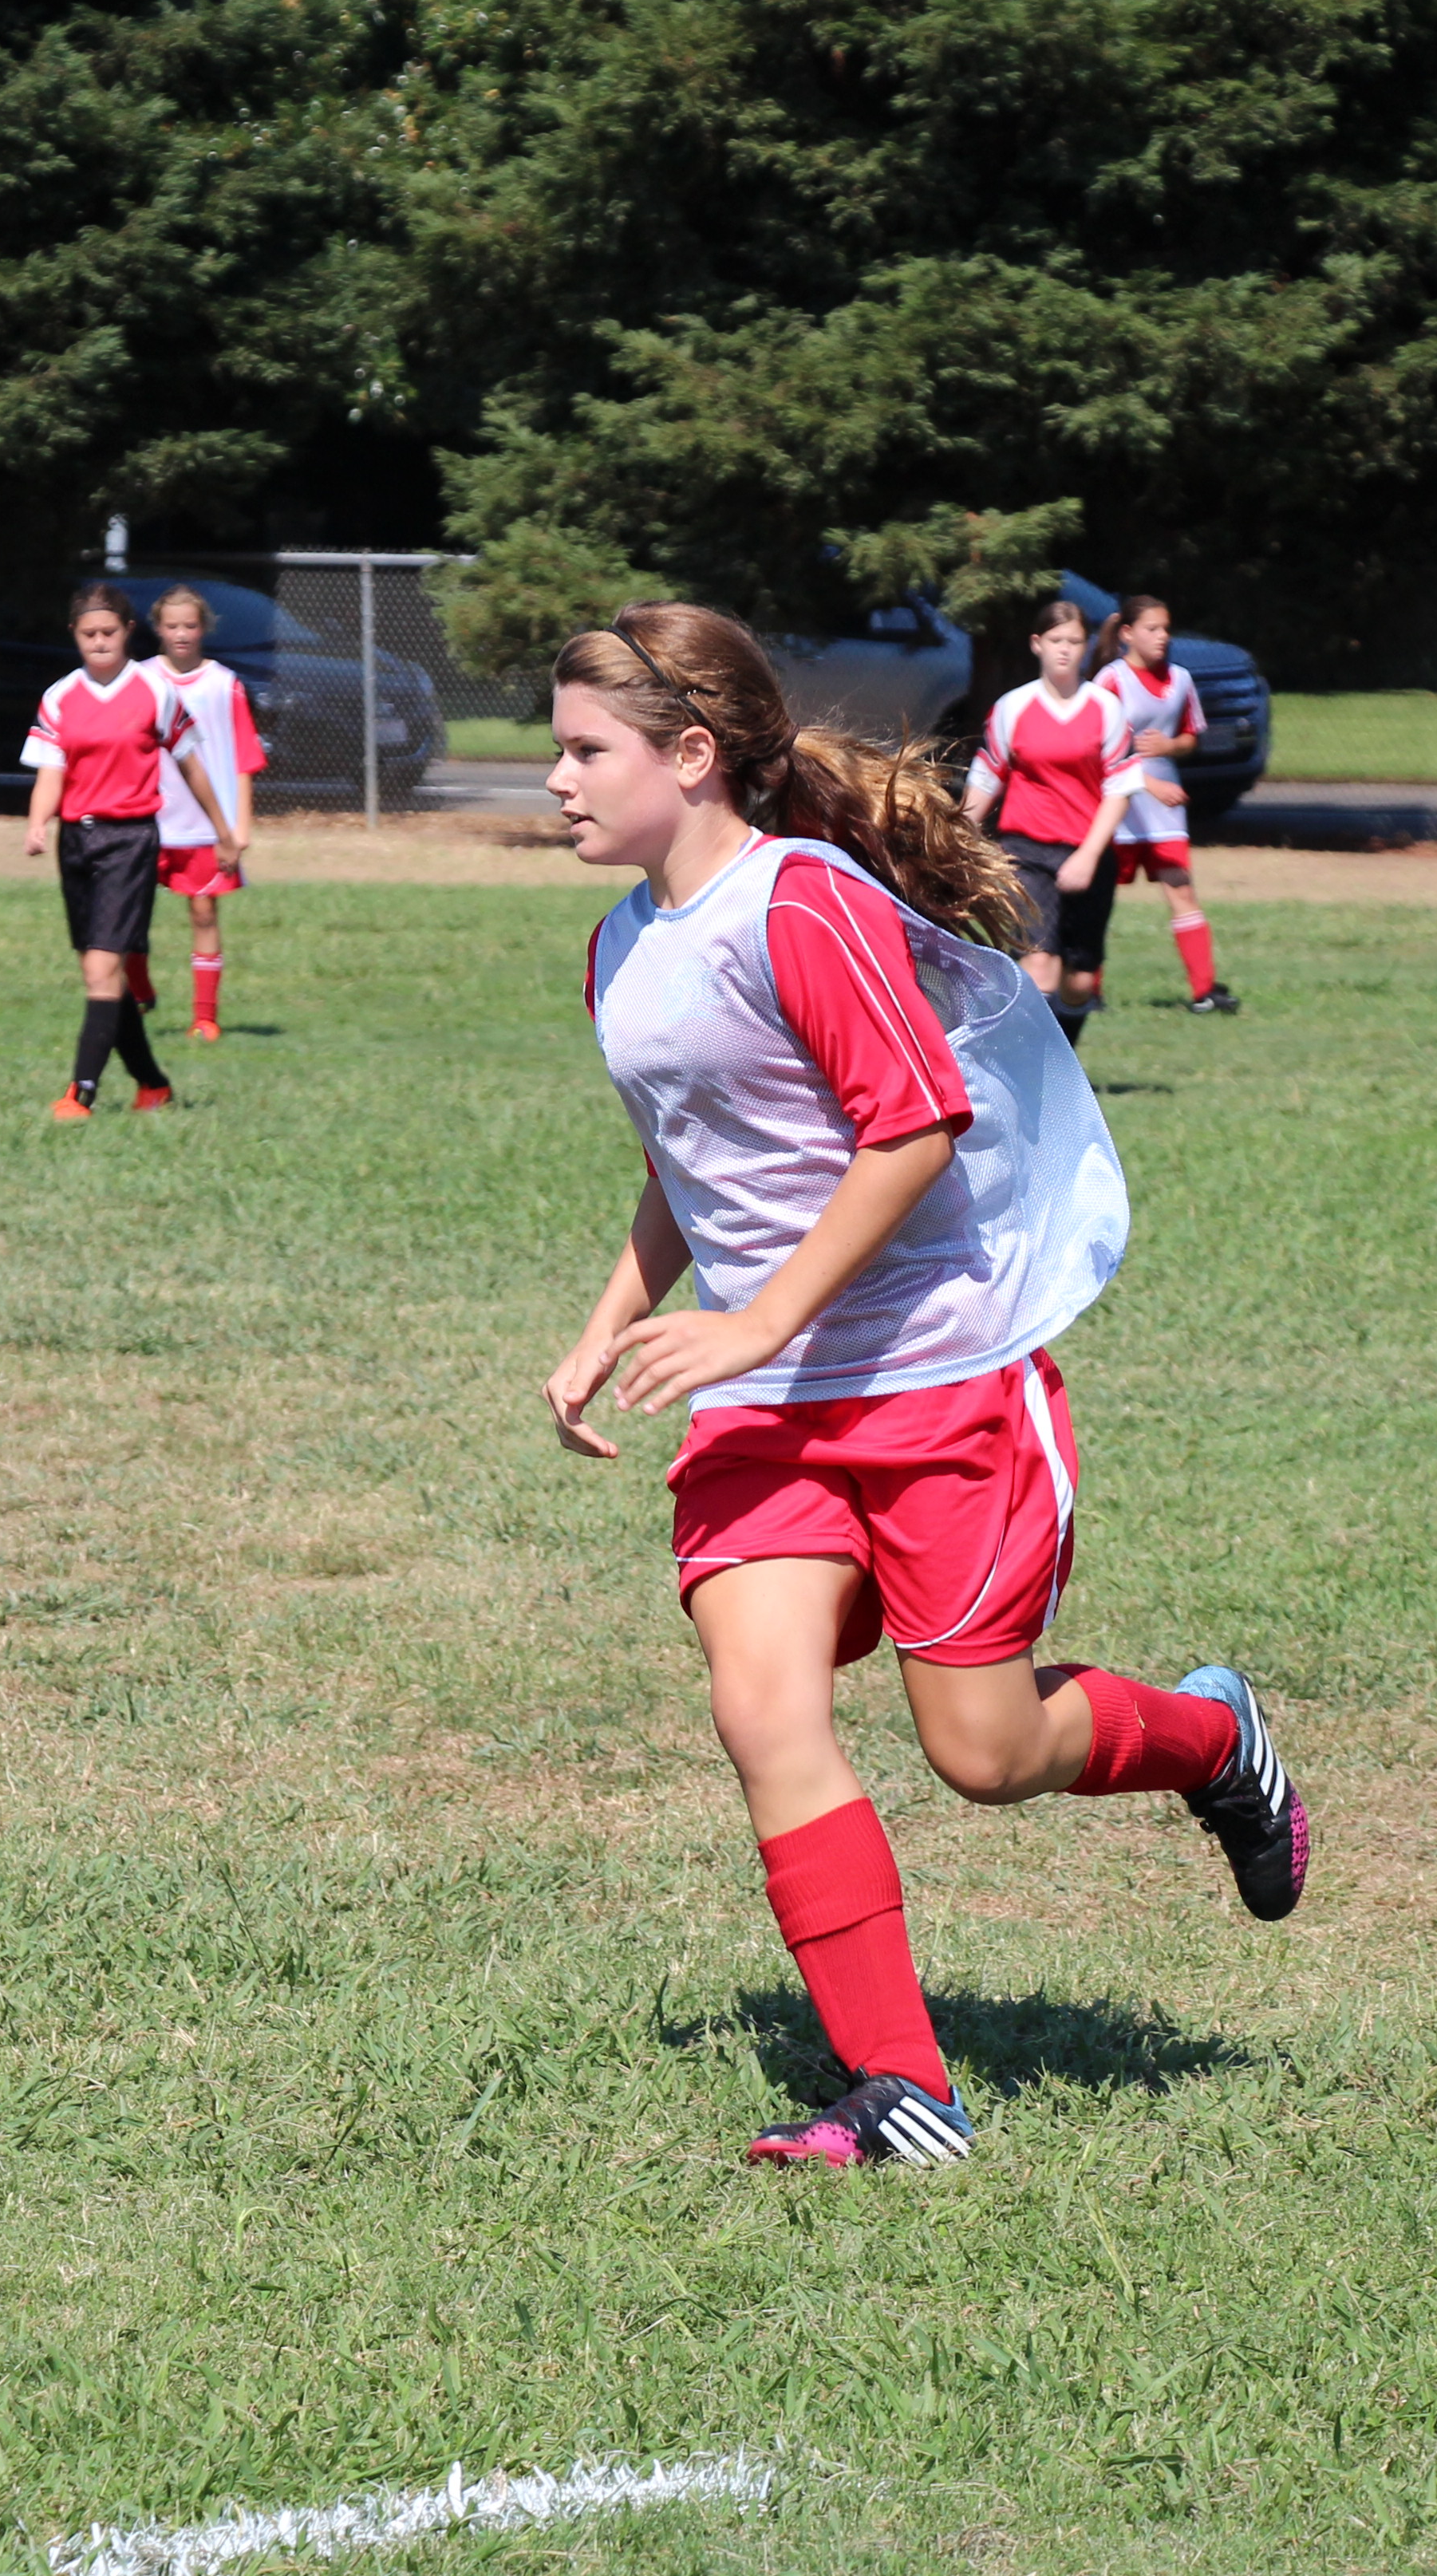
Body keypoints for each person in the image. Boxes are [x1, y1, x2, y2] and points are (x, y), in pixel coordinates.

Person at [539, 602, 1309, 2172]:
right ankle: (905, 2094)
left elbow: (913, 1128)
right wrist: (611, 1318)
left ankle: (1214, 1741)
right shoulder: (618, 945)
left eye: (582, 751)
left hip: (934, 1374)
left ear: (689, 757)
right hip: (770, 1409)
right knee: (761, 1708)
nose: (554, 780)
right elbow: (690, 1160)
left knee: (984, 1753)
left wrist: (759, 1322)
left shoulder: (803, 904)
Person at [20, 585, 216, 1118]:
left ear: (129, 631)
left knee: (103, 969)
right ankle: (153, 1085)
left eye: (109, 632)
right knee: (101, 973)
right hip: (76, 843)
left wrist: (222, 827)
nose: (100, 642)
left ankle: (80, 1092)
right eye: (89, 634)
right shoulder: (60, 696)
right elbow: (51, 772)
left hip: (130, 841)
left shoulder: (155, 692)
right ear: (74, 636)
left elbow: (191, 764)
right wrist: (38, 824)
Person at [958, 598, 1142, 1045]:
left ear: (1085, 647)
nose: (1065, 649)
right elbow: (986, 777)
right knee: (1038, 965)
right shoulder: (1013, 707)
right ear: (1037, 644)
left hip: (1087, 851)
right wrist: (957, 836)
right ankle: (1037, 1068)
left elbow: (1120, 790)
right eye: (1056, 640)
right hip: (1026, 851)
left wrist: (1088, 855)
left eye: (1074, 641)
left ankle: (1066, 1062)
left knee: (1079, 980)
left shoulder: (1106, 708)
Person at [1086, 594, 1238, 1014]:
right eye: (1152, 629)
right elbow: (1096, 749)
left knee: (1181, 890)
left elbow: (1191, 737)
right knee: (1099, 898)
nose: (1162, 637)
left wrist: (1170, 746)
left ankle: (1204, 991)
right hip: (1118, 808)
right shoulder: (1111, 680)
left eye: (1166, 629)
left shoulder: (1181, 680)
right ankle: (1086, 990)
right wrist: (1146, 782)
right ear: (1127, 634)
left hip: (1164, 812)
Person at [130, 585, 263, 1041]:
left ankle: (205, 1018)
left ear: (204, 627)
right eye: (172, 626)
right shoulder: (140, 680)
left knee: (204, 913)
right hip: (146, 819)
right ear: (157, 629)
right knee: (129, 915)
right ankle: (140, 989)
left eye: (190, 625)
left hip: (205, 826)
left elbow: (245, 759)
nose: (182, 633)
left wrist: (239, 827)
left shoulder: (225, 684)